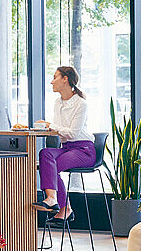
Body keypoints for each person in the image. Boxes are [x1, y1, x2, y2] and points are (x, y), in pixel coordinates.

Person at [33, 66, 95, 222]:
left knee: (52, 165)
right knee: (45, 153)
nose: (51, 81)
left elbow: (72, 133)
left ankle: (61, 205)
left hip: (84, 149)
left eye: (55, 77)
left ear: (65, 79)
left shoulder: (81, 104)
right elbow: (59, 129)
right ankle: (55, 200)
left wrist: (50, 125)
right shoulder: (58, 102)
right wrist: (46, 127)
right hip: (67, 148)